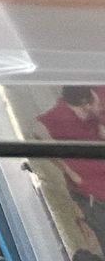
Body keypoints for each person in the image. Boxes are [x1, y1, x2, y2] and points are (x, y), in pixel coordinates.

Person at [39, 86, 105, 257]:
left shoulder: (97, 93)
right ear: (85, 104)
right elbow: (36, 135)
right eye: (98, 104)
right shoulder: (56, 119)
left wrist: (100, 123)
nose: (101, 106)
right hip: (93, 194)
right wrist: (70, 173)